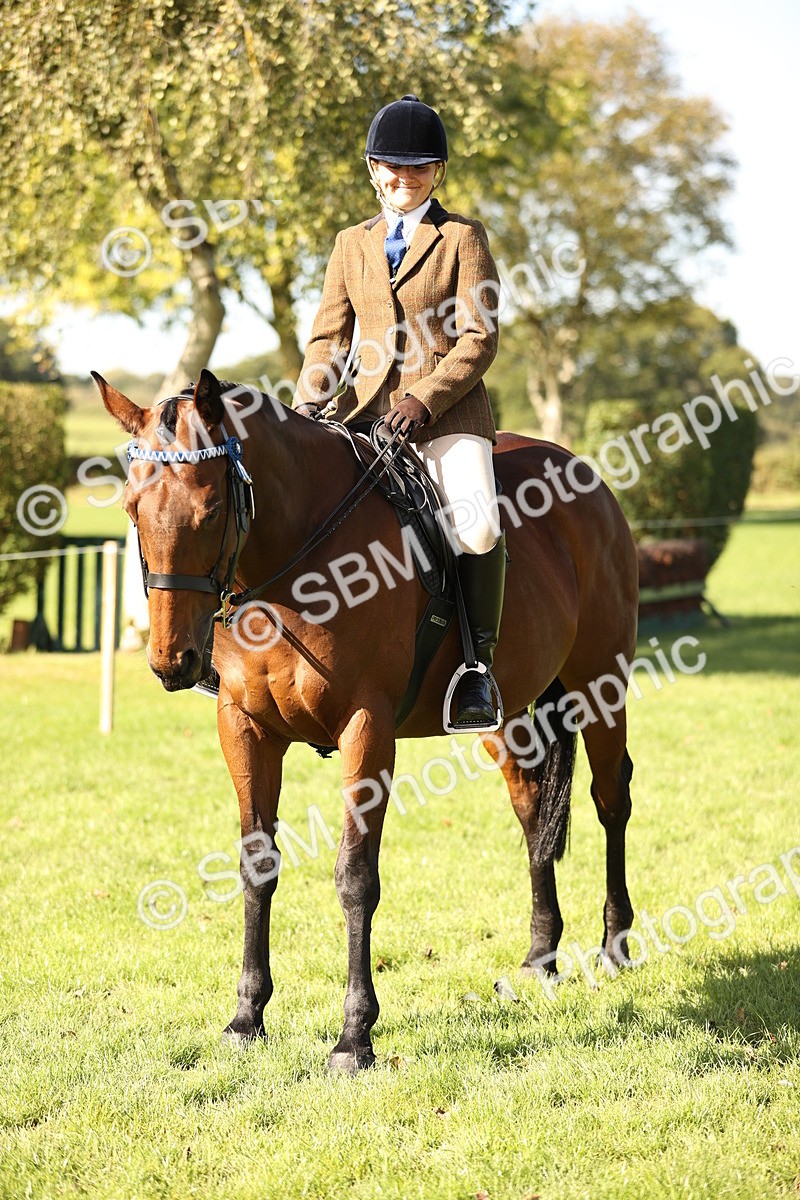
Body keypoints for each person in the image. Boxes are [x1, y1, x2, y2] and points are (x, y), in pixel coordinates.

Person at [293, 93, 505, 728]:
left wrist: (426, 398)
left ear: (436, 173)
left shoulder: (463, 238)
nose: (403, 178)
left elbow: (479, 338)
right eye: (392, 166)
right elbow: (328, 337)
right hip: (361, 415)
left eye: (418, 168)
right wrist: (308, 404)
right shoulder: (349, 244)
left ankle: (476, 670)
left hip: (445, 417)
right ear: (371, 169)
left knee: (477, 527)